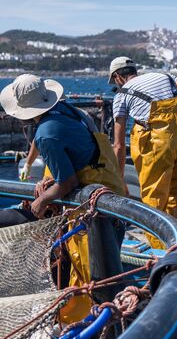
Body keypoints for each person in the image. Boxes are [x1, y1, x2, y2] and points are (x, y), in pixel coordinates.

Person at [0, 74, 126, 323]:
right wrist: (53, 181)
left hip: (91, 209)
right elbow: (81, 156)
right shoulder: (70, 111)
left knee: (89, 278)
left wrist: (42, 200)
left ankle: (88, 328)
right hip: (110, 194)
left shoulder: (46, 135)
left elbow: (68, 183)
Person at [109, 57, 177, 248]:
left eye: (114, 81)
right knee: (174, 197)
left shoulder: (121, 95)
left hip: (159, 145)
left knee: (153, 203)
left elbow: (119, 145)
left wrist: (119, 180)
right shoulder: (165, 76)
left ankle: (161, 251)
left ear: (118, 77)